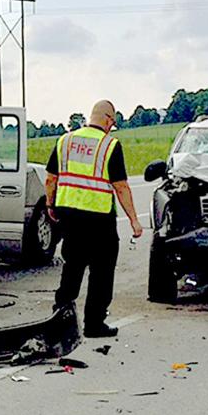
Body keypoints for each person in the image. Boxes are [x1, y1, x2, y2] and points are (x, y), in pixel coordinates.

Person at [45, 100, 144, 338]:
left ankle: (61, 317)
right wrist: (134, 220)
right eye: (113, 122)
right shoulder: (109, 145)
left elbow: (51, 178)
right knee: (102, 271)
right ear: (108, 119)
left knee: (73, 265)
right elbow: (120, 187)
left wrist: (51, 204)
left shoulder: (64, 141)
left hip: (69, 214)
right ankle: (94, 324)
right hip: (99, 218)